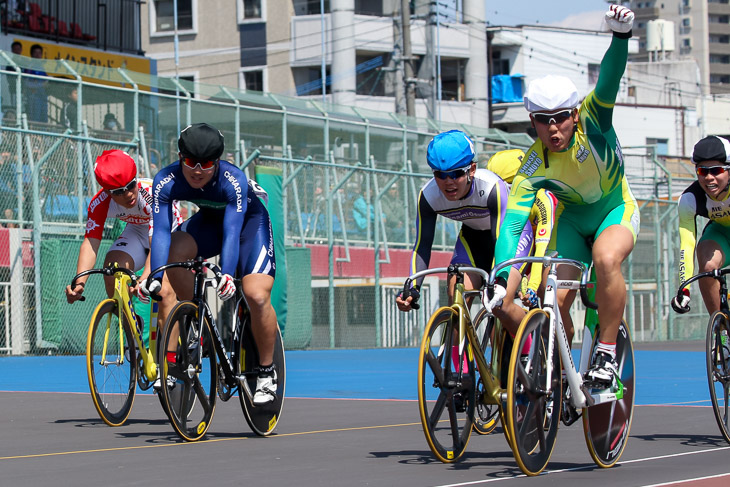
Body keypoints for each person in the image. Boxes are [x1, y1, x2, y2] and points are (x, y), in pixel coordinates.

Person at [489, 5, 639, 389]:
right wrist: (503, 276)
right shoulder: (532, 165)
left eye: (560, 117)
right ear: (532, 121)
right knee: (551, 302)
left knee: (606, 259)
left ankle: (605, 354)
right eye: (543, 119)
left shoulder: (592, 119)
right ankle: (565, 374)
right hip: (573, 222)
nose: (553, 127)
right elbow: (513, 225)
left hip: (614, 209)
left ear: (574, 114)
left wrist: (620, 36)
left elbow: (609, 79)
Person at [140, 123, 279, 405]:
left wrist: (228, 274)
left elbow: (232, 232)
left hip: (248, 226)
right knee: (176, 249)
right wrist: (154, 275)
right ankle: (195, 316)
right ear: (180, 157)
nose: (198, 170)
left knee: (256, 295)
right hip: (210, 223)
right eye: (190, 162)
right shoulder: (166, 180)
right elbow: (163, 232)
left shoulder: (233, 180)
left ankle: (267, 371)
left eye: (206, 164)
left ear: (218, 161)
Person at [395, 130, 533, 340]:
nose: (448, 182)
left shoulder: (490, 187)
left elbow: (502, 239)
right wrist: (412, 287)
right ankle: (461, 364)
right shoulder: (428, 196)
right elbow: (422, 245)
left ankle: (531, 343)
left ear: (472, 170)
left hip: (509, 236)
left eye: (457, 173)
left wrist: (499, 281)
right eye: (440, 175)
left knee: (499, 304)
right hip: (473, 238)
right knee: (457, 297)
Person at [65, 150, 181, 321]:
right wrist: (79, 283)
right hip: (137, 231)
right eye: (119, 191)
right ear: (107, 192)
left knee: (163, 291)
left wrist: (145, 277)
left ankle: (175, 338)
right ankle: (130, 326)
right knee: (112, 270)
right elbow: (90, 243)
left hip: (167, 233)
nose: (127, 193)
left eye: (130, 185)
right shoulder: (100, 203)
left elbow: (157, 241)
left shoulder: (152, 195)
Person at [486, 149, 557, 309]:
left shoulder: (542, 198)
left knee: (544, 292)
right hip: (529, 241)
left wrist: (532, 284)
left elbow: (541, 248)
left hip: (549, 243)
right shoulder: (498, 200)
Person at [672, 136, 730, 321]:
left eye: (716, 170)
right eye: (702, 171)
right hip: (720, 233)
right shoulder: (690, 199)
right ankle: (721, 330)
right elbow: (687, 245)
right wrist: (684, 288)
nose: (709, 177)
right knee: (707, 267)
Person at [23, 44, 48, 123]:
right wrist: (40, 85)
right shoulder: (29, 67)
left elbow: (46, 81)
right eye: (35, 53)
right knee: (35, 121)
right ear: (31, 54)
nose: (37, 55)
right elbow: (26, 83)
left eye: (39, 53)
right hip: (33, 97)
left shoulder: (42, 67)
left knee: (44, 121)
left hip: (43, 97)